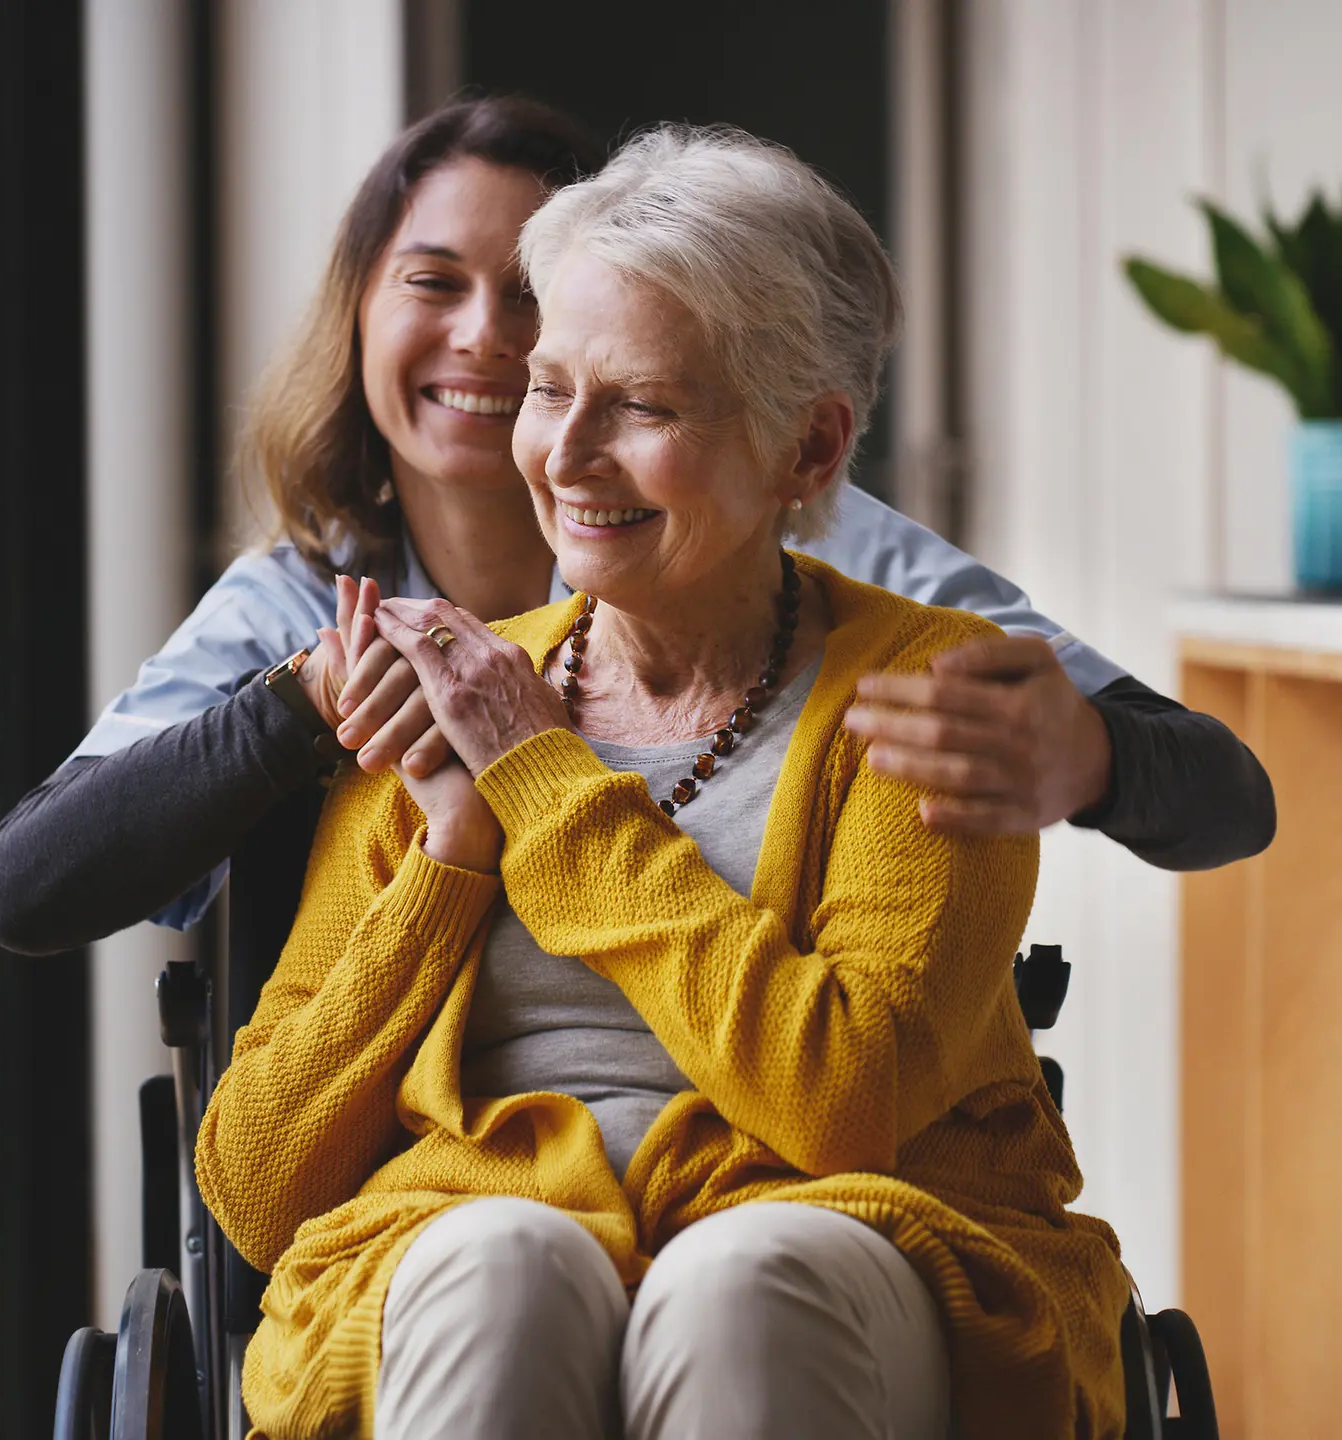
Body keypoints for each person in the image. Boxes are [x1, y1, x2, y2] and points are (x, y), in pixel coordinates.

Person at [197, 125, 1125, 1440]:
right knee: (500, 1270)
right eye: (548, 388)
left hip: (845, 1237)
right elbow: (253, 1181)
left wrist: (545, 787)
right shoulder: (455, 694)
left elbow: (840, 1098)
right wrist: (454, 857)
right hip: (468, 1243)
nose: (565, 456)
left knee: (744, 1282)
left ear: (809, 452)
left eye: (640, 407)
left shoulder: (927, 693)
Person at [0, 94, 1274, 959]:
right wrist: (297, 709)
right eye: (434, 283)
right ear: (359, 311)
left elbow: (1224, 792)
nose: (486, 336)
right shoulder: (306, 602)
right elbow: (30, 886)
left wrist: (1088, 757)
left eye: (537, 300)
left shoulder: (827, 547)